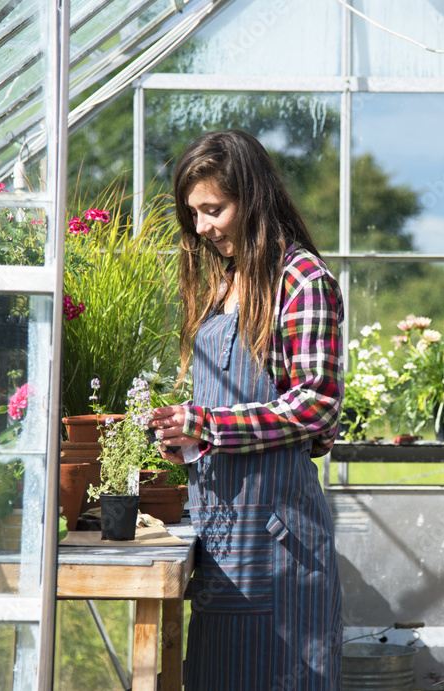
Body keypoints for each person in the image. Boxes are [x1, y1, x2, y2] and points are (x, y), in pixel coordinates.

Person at [150, 129, 344, 690]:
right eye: (195, 214)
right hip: (219, 532)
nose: (203, 226)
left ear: (252, 199)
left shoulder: (300, 280)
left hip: (278, 541)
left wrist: (207, 425)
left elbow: (316, 405)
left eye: (215, 209)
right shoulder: (226, 282)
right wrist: (182, 431)